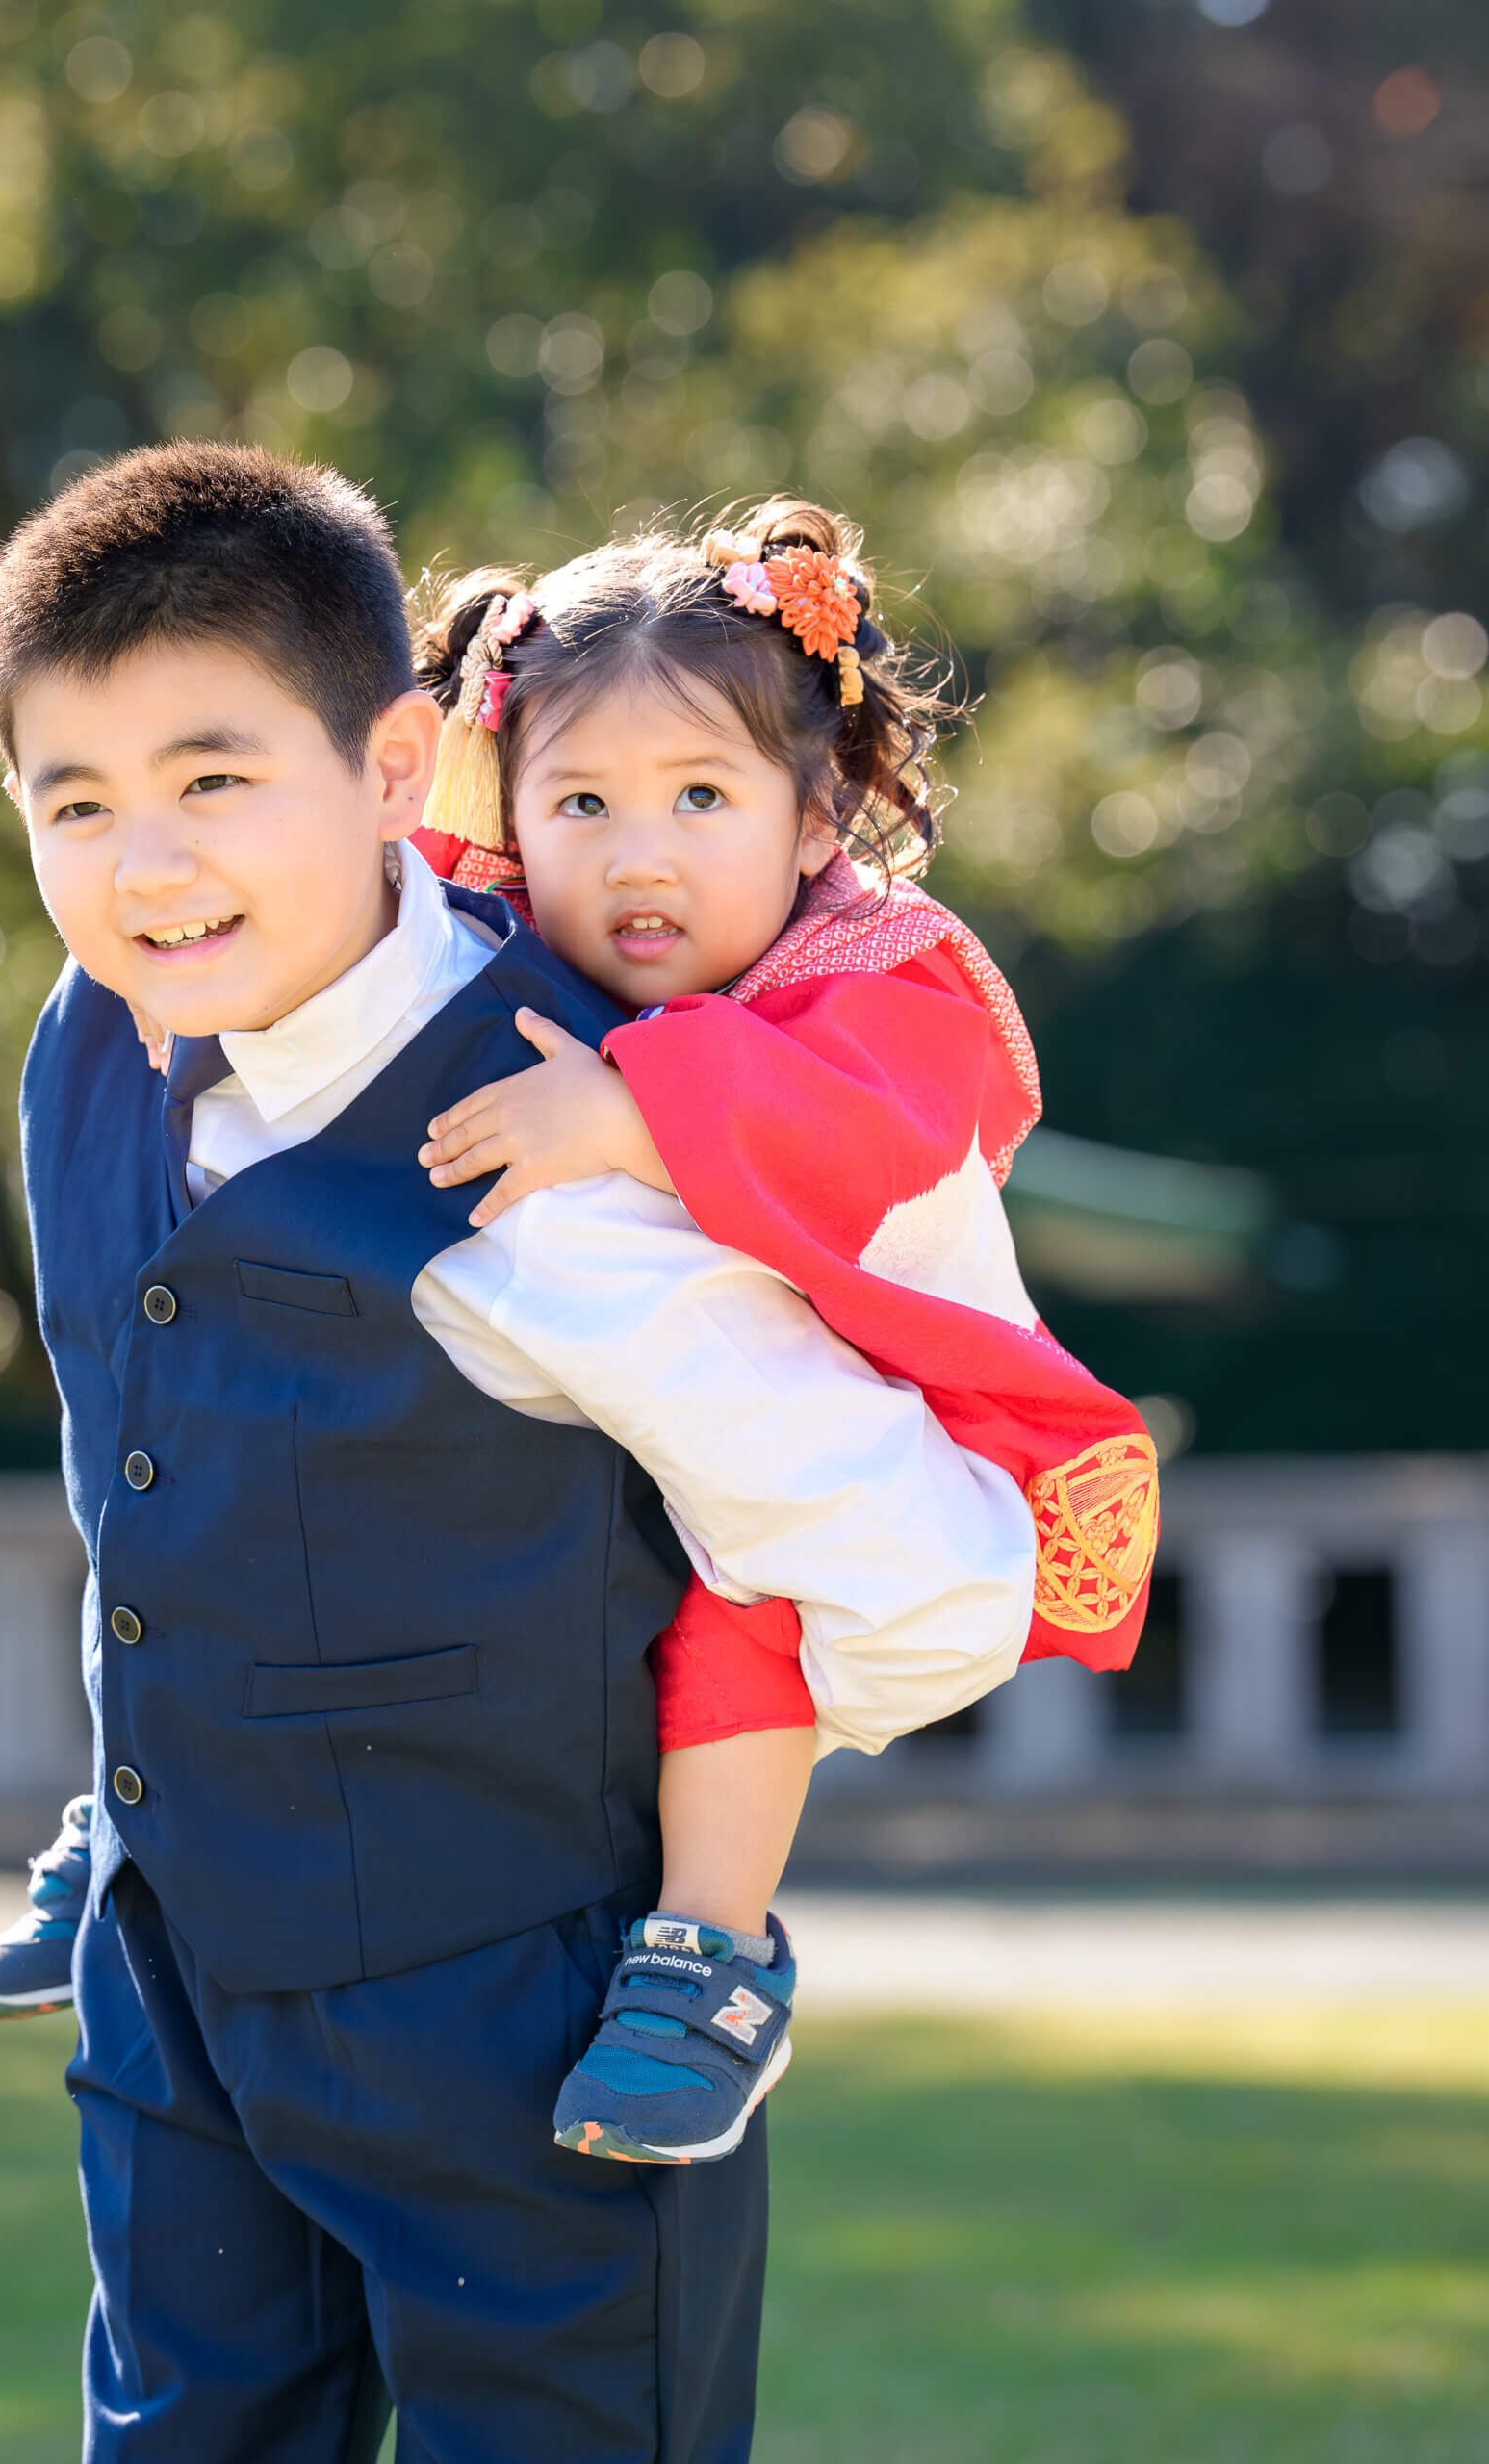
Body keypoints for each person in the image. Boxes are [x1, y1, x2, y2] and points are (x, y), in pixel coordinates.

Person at [0, 438, 1039, 2459]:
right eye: (74, 803)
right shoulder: (89, 1043)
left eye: (213, 781)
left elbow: (931, 1562)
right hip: (172, 1986)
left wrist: (689, 1820)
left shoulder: (569, 1134)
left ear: (393, 767)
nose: (147, 867)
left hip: (518, 2035)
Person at [402, 500, 1157, 2162]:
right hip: (598, 1456)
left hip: (887, 1412)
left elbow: (877, 1134)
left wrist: (637, 1111)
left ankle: (711, 1957)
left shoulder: (880, 975)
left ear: (815, 815)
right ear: (508, 814)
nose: (640, 855)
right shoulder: (504, 963)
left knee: (744, 1620)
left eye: (701, 797)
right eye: (580, 803)